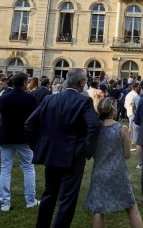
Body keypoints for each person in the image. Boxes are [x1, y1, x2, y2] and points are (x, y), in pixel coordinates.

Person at [25, 68, 101, 228]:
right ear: (81, 83)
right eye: (85, 81)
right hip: (72, 155)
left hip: (52, 153)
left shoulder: (50, 99)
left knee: (49, 193)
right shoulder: (83, 101)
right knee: (67, 198)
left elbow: (29, 123)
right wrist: (87, 150)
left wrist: (38, 146)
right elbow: (94, 125)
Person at [84, 97, 143, 228]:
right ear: (112, 110)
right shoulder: (122, 129)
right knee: (132, 209)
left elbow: (93, 152)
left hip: (99, 171)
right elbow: (127, 155)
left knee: (98, 210)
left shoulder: (95, 129)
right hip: (118, 172)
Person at [0, 72, 39, 211]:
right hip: (23, 137)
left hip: (6, 135)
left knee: (5, 169)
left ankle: (5, 203)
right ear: (24, 83)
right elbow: (36, 118)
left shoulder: (3, 98)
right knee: (28, 168)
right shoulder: (30, 98)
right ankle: (30, 200)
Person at [124, 83, 140, 147]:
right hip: (133, 111)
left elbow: (125, 104)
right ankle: (128, 140)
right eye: (138, 87)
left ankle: (129, 140)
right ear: (135, 87)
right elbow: (132, 103)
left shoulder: (128, 94)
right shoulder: (135, 95)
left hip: (128, 111)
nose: (138, 88)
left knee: (131, 126)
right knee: (131, 127)